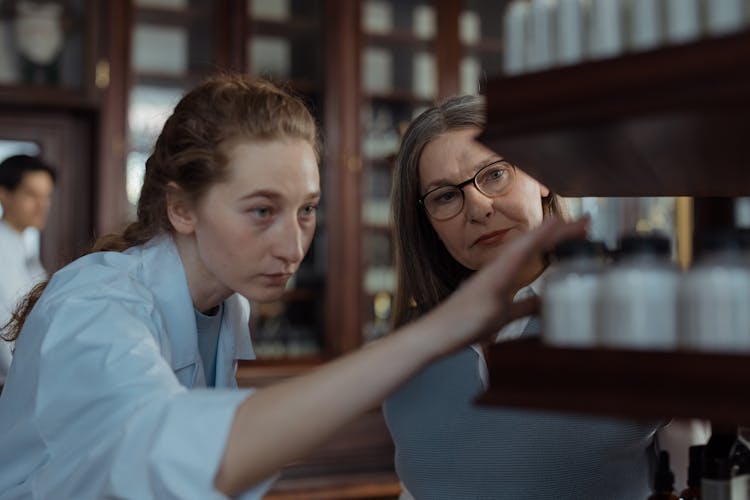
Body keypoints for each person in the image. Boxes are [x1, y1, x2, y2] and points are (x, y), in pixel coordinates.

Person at [0, 74, 588, 499]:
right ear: (181, 208)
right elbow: (164, 459)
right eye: (261, 211)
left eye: (305, 211)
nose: (292, 247)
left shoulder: (224, 305)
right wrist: (439, 332)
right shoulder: (95, 303)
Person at [383, 95, 664, 499]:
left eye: (495, 174)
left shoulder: (626, 310)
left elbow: (702, 470)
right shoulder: (407, 349)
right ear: (427, 223)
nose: (477, 207)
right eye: (445, 196)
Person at [0, 154, 55, 385]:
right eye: (31, 195)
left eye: (47, 196)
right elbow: (5, 328)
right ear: (4, 194)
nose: (42, 205)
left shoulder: (24, 247)